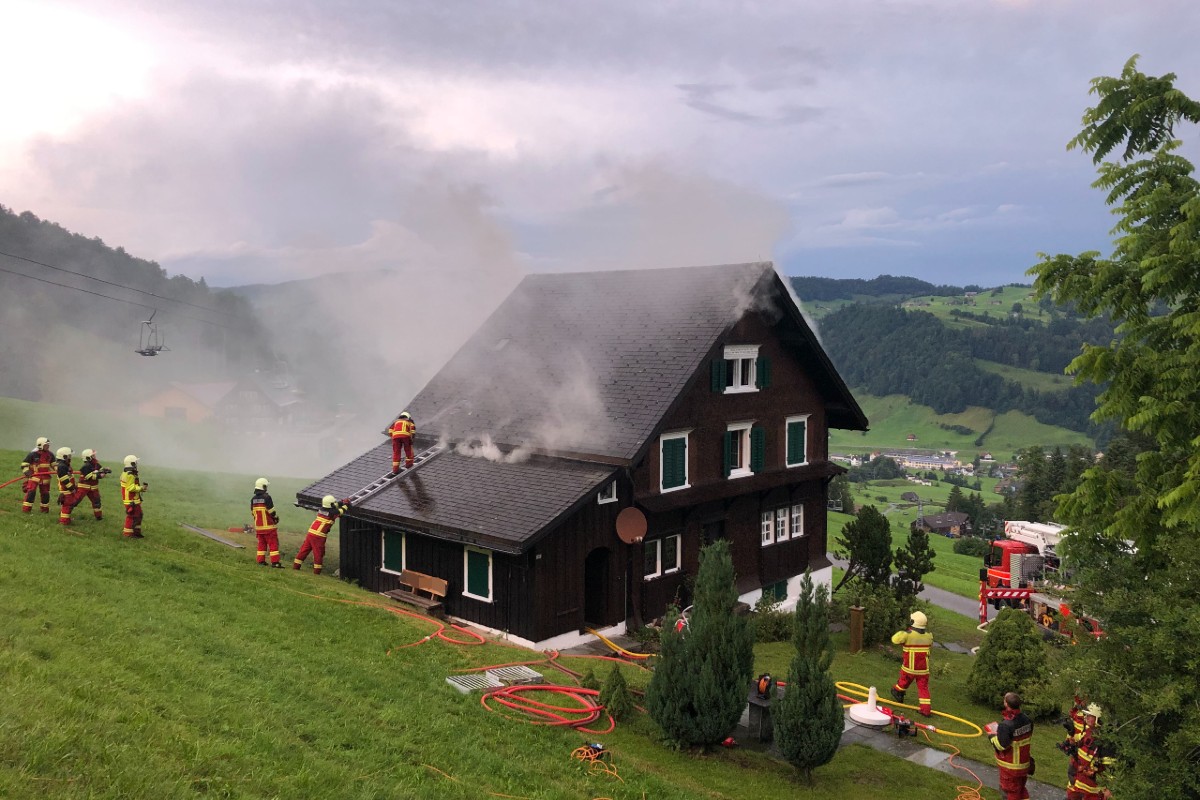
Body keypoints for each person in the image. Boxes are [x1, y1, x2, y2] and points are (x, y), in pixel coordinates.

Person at [988, 691, 1035, 800]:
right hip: (1024, 764)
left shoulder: (1006, 725)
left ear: (1006, 704)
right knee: (1021, 791)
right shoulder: (1027, 720)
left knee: (1010, 793)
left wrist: (991, 736)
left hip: (1010, 768)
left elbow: (1001, 746)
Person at [1067, 703, 1115, 800]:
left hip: (1093, 789)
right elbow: (1079, 745)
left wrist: (1109, 788)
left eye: (1090, 716)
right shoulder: (1088, 732)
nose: (1087, 718)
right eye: (1087, 715)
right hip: (1078, 782)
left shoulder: (1106, 742)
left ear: (1098, 719)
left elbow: (1110, 768)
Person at [890, 610, 934, 716]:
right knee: (923, 689)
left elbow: (894, 640)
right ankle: (926, 710)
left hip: (909, 668)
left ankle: (897, 692)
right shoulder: (929, 636)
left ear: (912, 621)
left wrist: (904, 632)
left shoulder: (907, 635)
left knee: (903, 681)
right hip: (923, 670)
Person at [294, 494, 349, 575]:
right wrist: (346, 504)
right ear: (330, 504)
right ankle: (317, 572)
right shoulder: (332, 513)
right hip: (319, 536)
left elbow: (334, 506)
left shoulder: (321, 509)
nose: (334, 504)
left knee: (304, 550)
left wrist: (341, 502)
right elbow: (341, 511)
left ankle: (296, 566)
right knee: (318, 553)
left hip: (311, 532)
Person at [251, 477, 283, 567]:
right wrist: (276, 518)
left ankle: (260, 561)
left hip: (259, 528)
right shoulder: (267, 497)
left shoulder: (253, 499)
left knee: (261, 544)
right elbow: (272, 512)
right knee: (273, 544)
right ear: (263, 487)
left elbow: (253, 513)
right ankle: (275, 562)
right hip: (269, 528)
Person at [20, 436, 55, 513]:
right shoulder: (32, 454)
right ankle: (26, 510)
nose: (48, 446)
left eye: (48, 445)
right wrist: (27, 471)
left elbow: (54, 465)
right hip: (34, 477)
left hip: (46, 478)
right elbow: (24, 464)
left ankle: (44, 510)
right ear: (40, 445)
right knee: (31, 493)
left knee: (45, 494)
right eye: (46, 445)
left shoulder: (50, 454)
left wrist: (59, 470)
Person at [75, 449, 111, 520]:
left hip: (93, 487)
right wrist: (100, 475)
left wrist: (105, 470)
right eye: (93, 455)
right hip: (84, 487)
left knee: (97, 502)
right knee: (76, 500)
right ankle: (66, 512)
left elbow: (100, 469)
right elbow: (89, 476)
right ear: (88, 458)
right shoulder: (85, 466)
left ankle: (99, 517)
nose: (95, 456)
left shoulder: (95, 464)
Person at [120, 454, 148, 539]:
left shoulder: (128, 473)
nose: (137, 464)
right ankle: (128, 534)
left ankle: (136, 533)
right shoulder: (129, 475)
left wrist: (141, 489)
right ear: (132, 464)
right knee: (132, 516)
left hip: (133, 499)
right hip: (130, 500)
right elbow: (130, 487)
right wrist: (141, 488)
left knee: (139, 515)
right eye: (135, 463)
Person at [55, 447, 83, 526]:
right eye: (69, 456)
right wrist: (71, 488)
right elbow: (64, 480)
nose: (70, 457)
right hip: (66, 490)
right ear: (64, 457)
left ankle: (66, 519)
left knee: (69, 504)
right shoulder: (62, 467)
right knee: (67, 505)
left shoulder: (65, 465)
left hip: (68, 489)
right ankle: (63, 521)